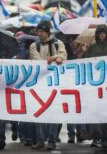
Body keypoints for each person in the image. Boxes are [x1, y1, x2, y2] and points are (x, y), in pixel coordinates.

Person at [29, 20, 67, 150]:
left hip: (56, 83)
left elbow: (63, 56)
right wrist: (49, 61)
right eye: (38, 31)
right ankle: (40, 140)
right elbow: (36, 60)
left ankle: (51, 139)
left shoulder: (58, 43)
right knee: (39, 111)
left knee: (54, 112)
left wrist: (57, 58)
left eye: (41, 31)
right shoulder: (34, 46)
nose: (39, 34)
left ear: (48, 32)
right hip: (40, 84)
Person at [83, 25, 107, 148]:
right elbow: (85, 63)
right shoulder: (92, 48)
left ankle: (105, 137)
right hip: (95, 85)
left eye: (104, 33)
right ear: (97, 34)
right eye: (100, 33)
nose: (102, 35)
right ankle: (97, 137)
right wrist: (84, 52)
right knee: (97, 112)